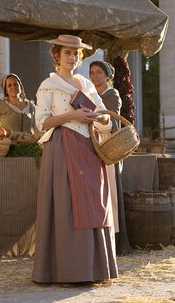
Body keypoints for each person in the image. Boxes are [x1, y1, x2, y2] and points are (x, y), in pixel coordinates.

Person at [32, 35, 117, 283]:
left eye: (76, 54)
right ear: (56, 55)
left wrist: (99, 118)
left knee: (93, 202)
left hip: (89, 149)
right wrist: (72, 116)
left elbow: (106, 119)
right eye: (67, 53)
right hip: (62, 147)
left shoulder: (87, 85)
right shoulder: (49, 85)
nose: (72, 57)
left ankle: (94, 269)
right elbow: (41, 123)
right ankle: (68, 270)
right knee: (67, 205)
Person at [89, 60, 130, 256]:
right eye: (92, 72)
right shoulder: (90, 94)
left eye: (98, 72)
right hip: (93, 144)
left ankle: (115, 241)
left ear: (106, 76)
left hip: (109, 144)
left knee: (110, 191)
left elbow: (111, 119)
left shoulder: (112, 95)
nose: (95, 76)